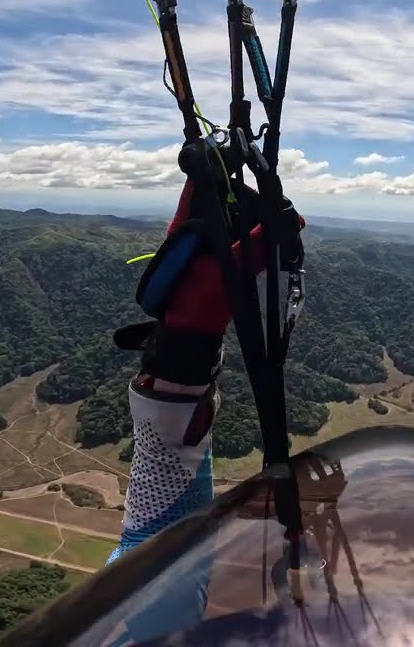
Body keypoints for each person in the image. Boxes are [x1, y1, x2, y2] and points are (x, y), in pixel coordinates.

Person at [100, 171, 304, 642]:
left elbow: (279, 231)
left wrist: (209, 181)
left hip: (175, 402)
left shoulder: (183, 271)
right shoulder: (190, 274)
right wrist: (205, 179)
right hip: (162, 399)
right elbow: (281, 231)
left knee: (170, 599)